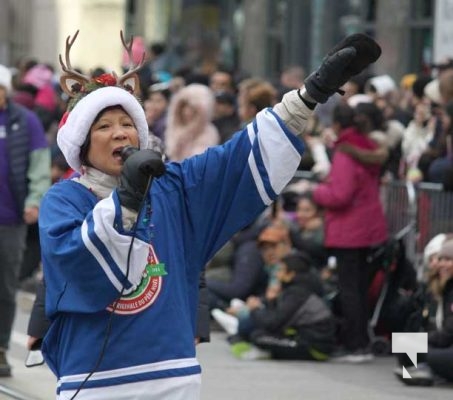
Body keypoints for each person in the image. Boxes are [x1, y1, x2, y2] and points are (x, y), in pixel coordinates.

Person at [38, 31, 381, 398]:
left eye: (127, 124)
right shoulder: (64, 201)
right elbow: (77, 269)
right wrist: (128, 197)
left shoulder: (173, 185)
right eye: (104, 127)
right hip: (96, 383)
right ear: (81, 144)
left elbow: (236, 158)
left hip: (173, 377)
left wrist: (310, 95)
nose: (120, 134)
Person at [312, 102, 389, 363]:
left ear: (336, 125)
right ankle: (361, 342)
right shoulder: (367, 148)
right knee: (358, 286)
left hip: (349, 230)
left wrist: (315, 191)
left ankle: (357, 345)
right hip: (367, 227)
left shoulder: (345, 153)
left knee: (350, 289)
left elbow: (340, 195)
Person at [0, 64, 51, 377]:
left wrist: (35, 201)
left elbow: (40, 165)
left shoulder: (25, 121)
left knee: (5, 287)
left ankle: (1, 348)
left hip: (10, 219)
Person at [215, 251, 336, 361]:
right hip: (300, 335)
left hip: (315, 347)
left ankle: (260, 348)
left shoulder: (297, 293)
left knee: (258, 336)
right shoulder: (295, 290)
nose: (278, 274)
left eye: (281, 270)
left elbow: (273, 323)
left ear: (290, 274)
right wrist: (270, 301)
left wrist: (255, 309)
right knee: (247, 333)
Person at [394, 238, 453, 385]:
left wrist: (424, 340)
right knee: (403, 343)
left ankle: (428, 371)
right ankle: (422, 371)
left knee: (431, 355)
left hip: (448, 345)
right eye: (441, 259)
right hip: (444, 343)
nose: (441, 264)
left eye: (448, 260)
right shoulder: (442, 287)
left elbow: (448, 334)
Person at [164, 83, 220, 161]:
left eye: (192, 108)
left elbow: (198, 162)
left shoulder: (208, 133)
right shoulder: (175, 128)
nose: (186, 112)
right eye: (183, 106)